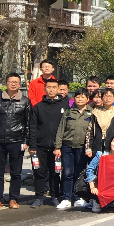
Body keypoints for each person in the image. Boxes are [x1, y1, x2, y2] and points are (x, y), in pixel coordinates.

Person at [0, 72, 32, 209]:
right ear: (6, 84)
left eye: (16, 82)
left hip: (17, 141)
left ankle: (13, 199)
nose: (13, 84)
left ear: (20, 84)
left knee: (16, 172)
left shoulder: (25, 101)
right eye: (11, 82)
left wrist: (26, 141)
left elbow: (29, 123)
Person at [27, 76, 68, 208]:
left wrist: (61, 146)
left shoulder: (64, 106)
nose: (51, 90)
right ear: (44, 89)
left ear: (58, 89)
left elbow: (67, 127)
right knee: (39, 172)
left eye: (54, 87)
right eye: (49, 87)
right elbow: (33, 127)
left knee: (55, 172)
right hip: (40, 146)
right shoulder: (38, 107)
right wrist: (32, 145)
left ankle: (55, 196)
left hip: (57, 147)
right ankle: (39, 197)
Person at [53, 88, 94, 210]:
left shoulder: (92, 113)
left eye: (82, 97)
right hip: (67, 147)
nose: (80, 99)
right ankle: (66, 198)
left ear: (87, 99)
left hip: (82, 148)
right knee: (67, 173)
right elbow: (61, 130)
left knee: (79, 173)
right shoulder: (68, 112)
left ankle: (78, 197)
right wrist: (57, 146)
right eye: (77, 97)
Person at [85, 135, 114, 213]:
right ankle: (95, 200)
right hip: (99, 184)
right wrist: (92, 187)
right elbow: (90, 170)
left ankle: (112, 201)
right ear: (110, 142)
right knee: (96, 209)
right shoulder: (101, 155)